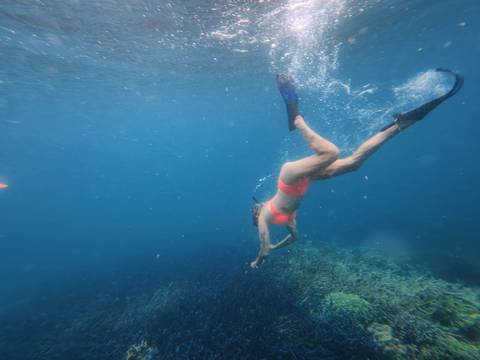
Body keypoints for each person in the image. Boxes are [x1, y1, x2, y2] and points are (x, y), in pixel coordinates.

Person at [250, 69, 464, 269]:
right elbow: (294, 238)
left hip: (289, 176)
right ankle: (400, 124)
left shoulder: (264, 216)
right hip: (304, 179)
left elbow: (263, 246)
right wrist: (276, 247)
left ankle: (298, 121)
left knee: (331, 153)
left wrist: (259, 258)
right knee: (354, 163)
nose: (256, 213)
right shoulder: (286, 218)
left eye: (255, 212)